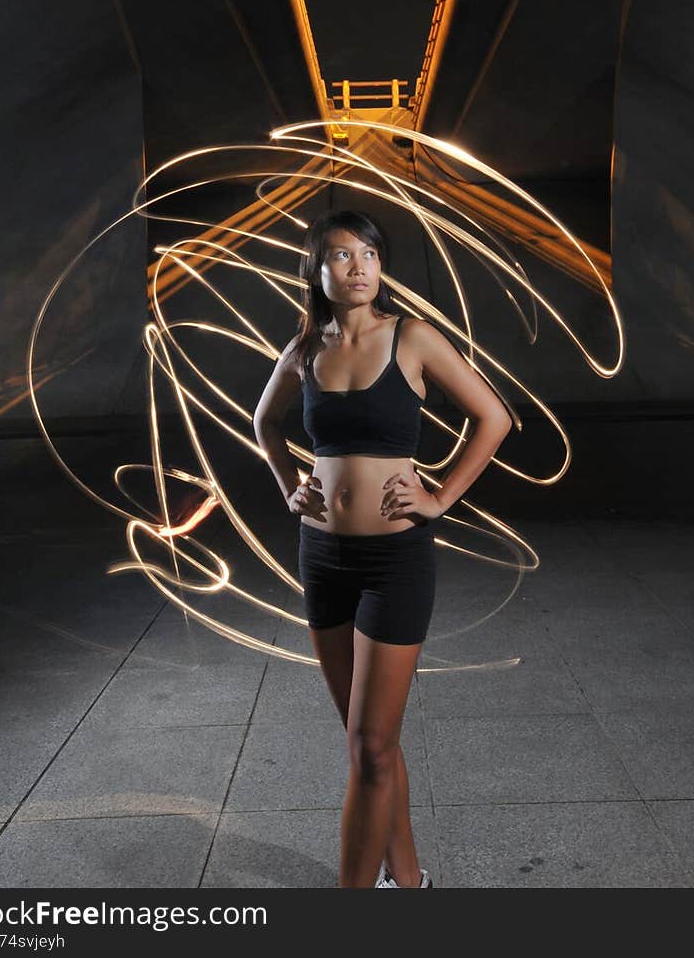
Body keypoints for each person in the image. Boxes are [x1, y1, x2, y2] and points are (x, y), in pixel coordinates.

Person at [253, 209, 513, 888]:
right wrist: (290, 486)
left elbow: (495, 416)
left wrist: (439, 497)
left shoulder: (413, 338)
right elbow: (263, 420)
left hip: (394, 563)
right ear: (314, 271)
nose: (359, 265)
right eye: (340, 255)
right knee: (369, 745)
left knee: (370, 746)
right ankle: (410, 880)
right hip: (322, 560)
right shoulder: (306, 347)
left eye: (369, 252)